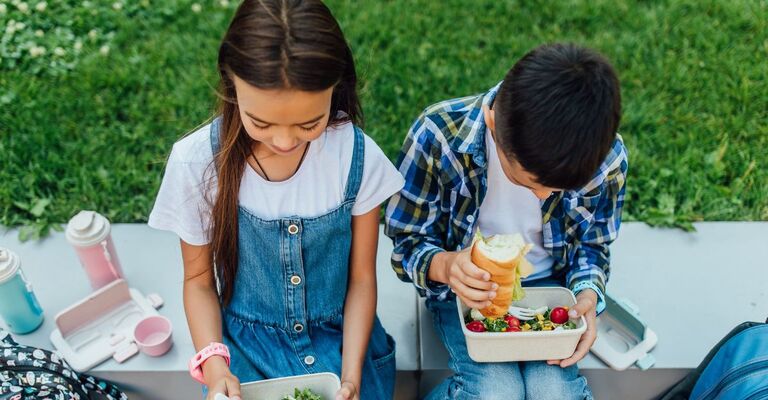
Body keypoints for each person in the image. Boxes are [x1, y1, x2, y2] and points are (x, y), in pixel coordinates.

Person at [148, 1, 404, 399]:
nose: (284, 141)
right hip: (245, 353)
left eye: (309, 123)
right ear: (231, 83)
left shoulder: (356, 156)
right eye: (261, 122)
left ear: (335, 88)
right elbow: (198, 282)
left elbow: (361, 280)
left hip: (344, 343)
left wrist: (352, 376)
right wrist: (215, 369)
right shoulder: (197, 162)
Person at [385, 43, 627, 399]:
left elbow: (593, 245)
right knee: (495, 392)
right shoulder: (437, 136)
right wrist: (447, 266)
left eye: (558, 189)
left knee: (555, 394)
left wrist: (588, 292)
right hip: (465, 289)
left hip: (553, 285)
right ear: (492, 122)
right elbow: (407, 242)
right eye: (529, 182)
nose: (543, 196)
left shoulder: (605, 160)